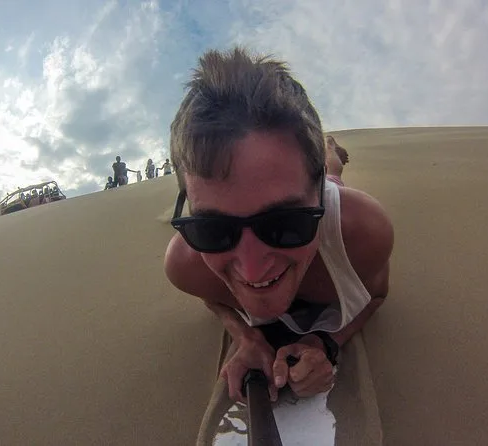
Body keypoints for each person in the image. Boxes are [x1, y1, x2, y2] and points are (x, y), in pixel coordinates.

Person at [164, 47, 394, 404]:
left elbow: (377, 295)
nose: (252, 269)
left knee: (335, 175)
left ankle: (330, 156)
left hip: (329, 187)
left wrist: (327, 343)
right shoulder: (185, 264)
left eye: (286, 222)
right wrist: (244, 335)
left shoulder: (363, 230)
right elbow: (213, 299)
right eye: (213, 229)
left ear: (315, 197)